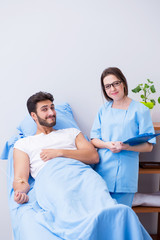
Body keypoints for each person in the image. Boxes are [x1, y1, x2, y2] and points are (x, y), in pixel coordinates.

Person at [13, 91, 152, 240]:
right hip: (52, 178)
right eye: (45, 109)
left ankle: (114, 217)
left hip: (83, 175)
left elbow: (93, 156)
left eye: (52, 108)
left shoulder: (71, 133)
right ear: (34, 116)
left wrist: (60, 152)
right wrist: (20, 192)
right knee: (68, 207)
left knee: (109, 206)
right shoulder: (24, 144)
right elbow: (20, 178)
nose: (51, 113)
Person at [90, 67, 155, 208]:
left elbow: (149, 146)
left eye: (116, 83)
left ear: (123, 83)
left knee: (121, 218)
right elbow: (94, 139)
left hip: (126, 173)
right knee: (102, 216)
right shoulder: (103, 110)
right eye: (107, 86)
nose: (112, 88)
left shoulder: (140, 110)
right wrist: (108, 145)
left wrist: (127, 146)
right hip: (102, 171)